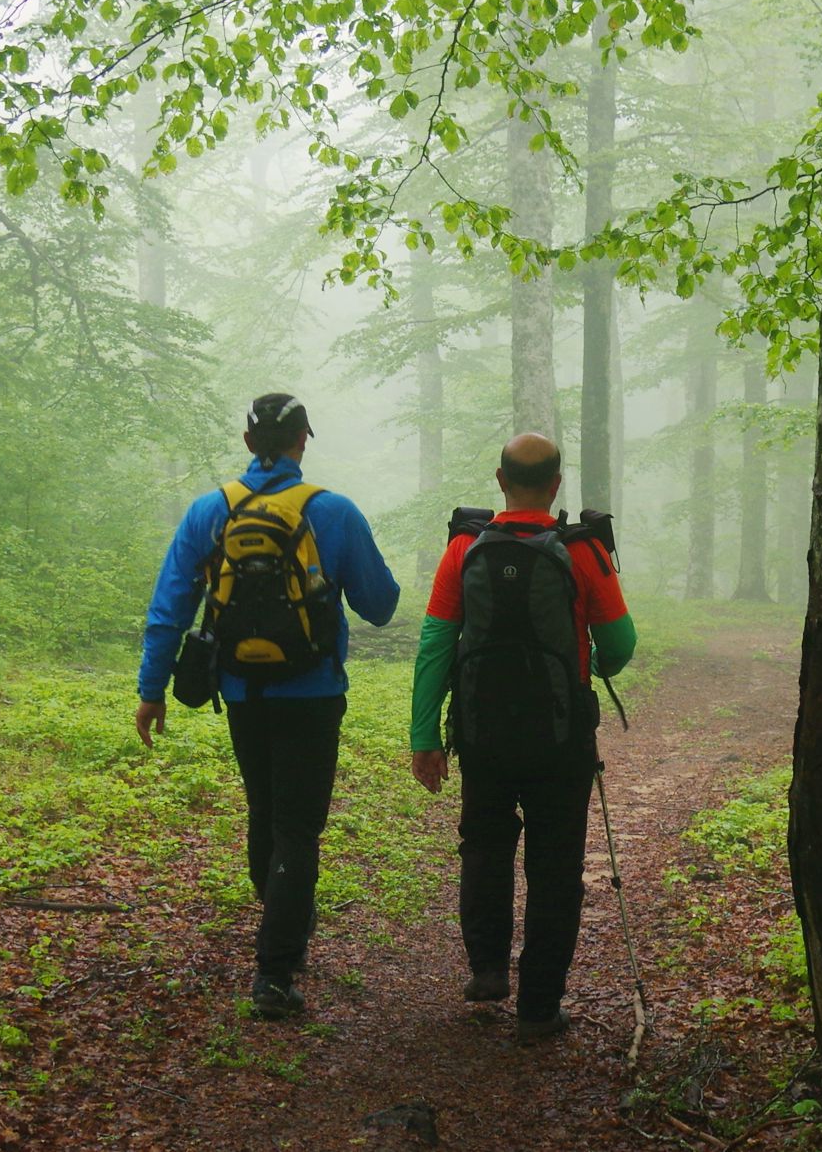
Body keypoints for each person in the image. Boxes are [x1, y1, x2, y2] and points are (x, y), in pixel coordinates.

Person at [135, 393, 399, 1019]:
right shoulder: (332, 512)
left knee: (265, 813)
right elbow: (382, 605)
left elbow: (169, 606)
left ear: (250, 442)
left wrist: (151, 691)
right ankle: (275, 973)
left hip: (241, 692)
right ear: (303, 439)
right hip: (312, 694)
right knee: (299, 829)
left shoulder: (209, 511)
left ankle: (282, 928)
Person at [407, 432, 637, 1041]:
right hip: (560, 743)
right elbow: (620, 646)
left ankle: (486, 968)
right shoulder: (583, 551)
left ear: (500, 480)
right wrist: (585, 664)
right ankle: (539, 1007)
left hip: (481, 735)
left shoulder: (464, 547)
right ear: (556, 485)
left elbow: (435, 643)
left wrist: (424, 734)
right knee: (556, 866)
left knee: (483, 846)